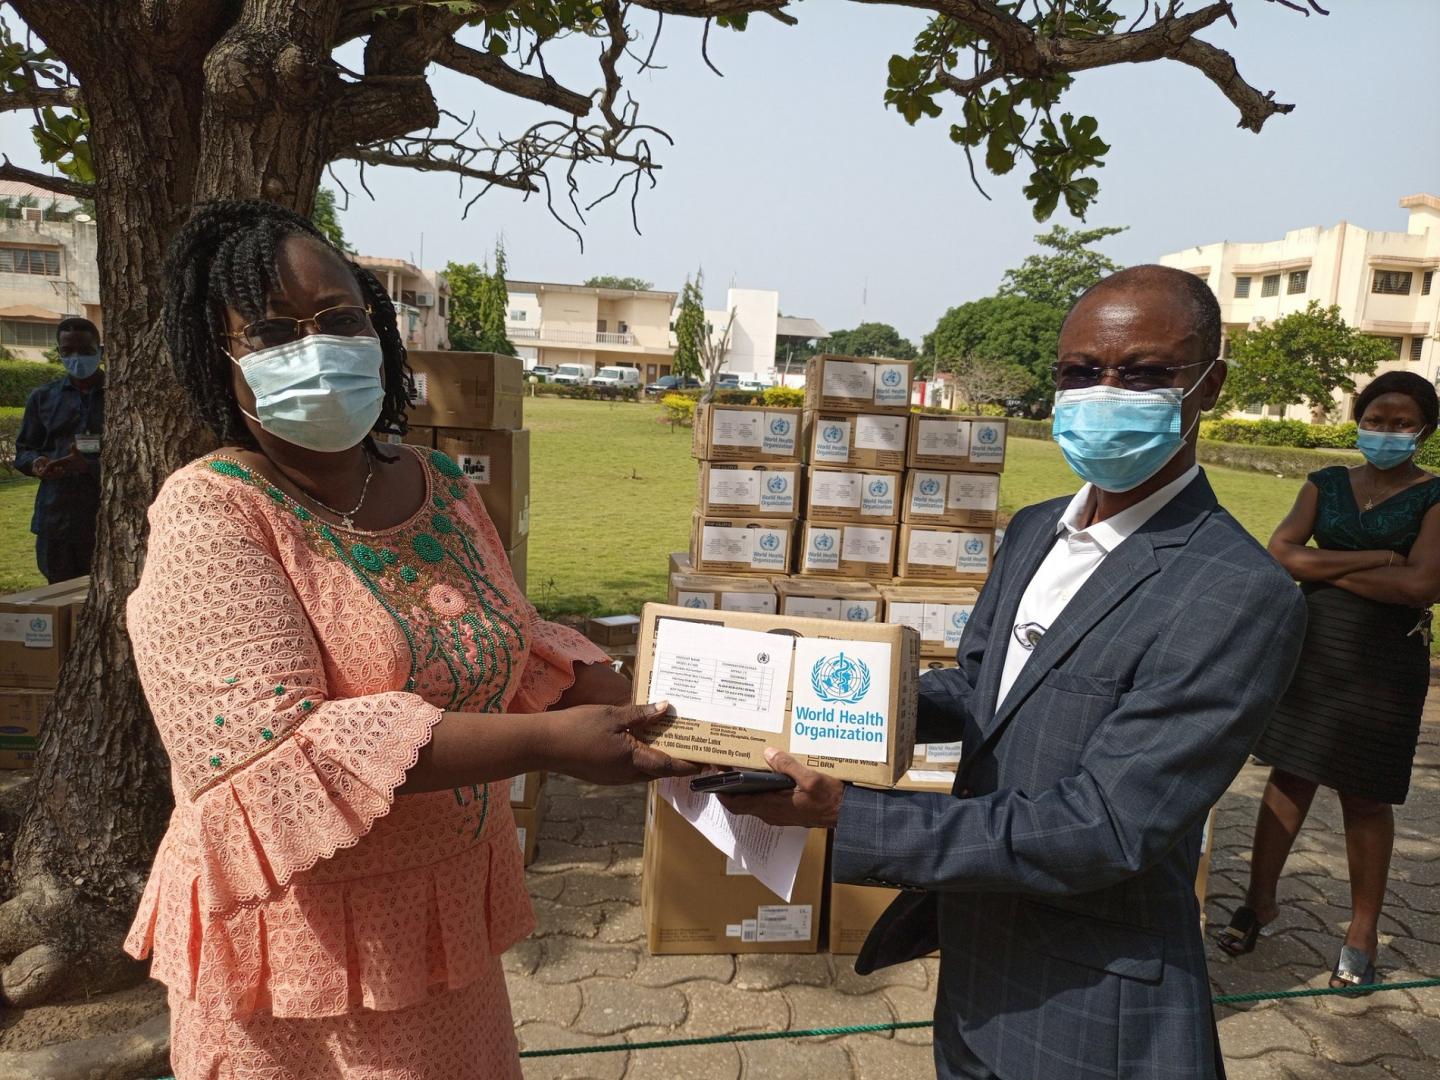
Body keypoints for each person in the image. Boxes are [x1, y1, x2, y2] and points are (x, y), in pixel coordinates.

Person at [124, 200, 694, 1080]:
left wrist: (659, 701)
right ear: (218, 357)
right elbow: (279, 750)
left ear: (378, 330)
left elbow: (504, 640)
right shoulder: (214, 510)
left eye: (338, 319)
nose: (315, 348)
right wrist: (549, 744)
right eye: (271, 331)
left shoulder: (435, 481)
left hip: (441, 916)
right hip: (301, 947)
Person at [724, 266, 1308, 1080]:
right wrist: (796, 708)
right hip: (977, 962)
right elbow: (980, 692)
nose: (1104, 392)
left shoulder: (1237, 593)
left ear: (1207, 387)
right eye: (1079, 372)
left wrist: (849, 817)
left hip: (1089, 999)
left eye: (1142, 374)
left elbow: (1107, 827)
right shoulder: (1037, 531)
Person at [1217, 371, 1439, 989]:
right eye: (1375, 419)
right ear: (1358, 420)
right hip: (1312, 649)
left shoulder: (1434, 496)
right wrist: (1378, 559)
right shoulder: (1327, 484)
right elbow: (1279, 551)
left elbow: (1423, 586)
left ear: (1424, 431)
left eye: (1401, 423)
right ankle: (1259, 901)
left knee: (1366, 793)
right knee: (1289, 774)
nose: (1386, 431)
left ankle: (1362, 928)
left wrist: (1322, 571)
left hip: (1386, 660)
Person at [13, 316, 105, 582]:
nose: (76, 358)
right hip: (55, 519)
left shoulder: (120, 397)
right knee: (58, 595)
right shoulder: (42, 398)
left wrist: (89, 466)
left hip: (103, 517)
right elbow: (23, 451)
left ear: (100, 351)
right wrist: (36, 463)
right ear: (59, 354)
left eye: (85, 351)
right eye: (68, 352)